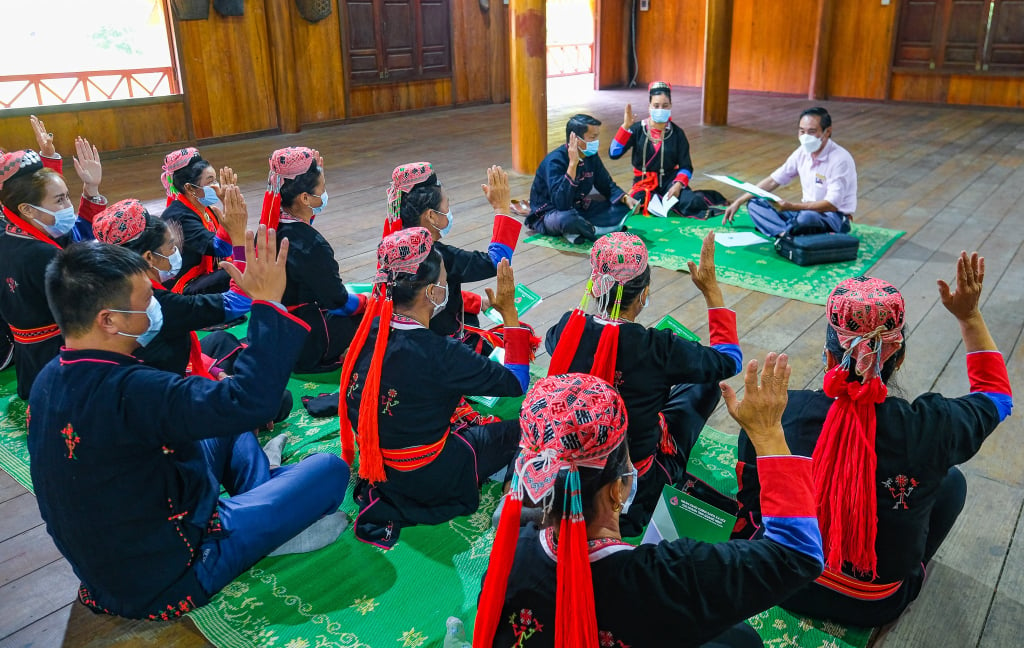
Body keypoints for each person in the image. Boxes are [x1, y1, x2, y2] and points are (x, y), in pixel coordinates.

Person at [28, 228, 350, 620]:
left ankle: (266, 505)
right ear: (108, 320)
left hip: (114, 560)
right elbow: (251, 400)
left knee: (226, 422)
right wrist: (267, 304)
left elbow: (228, 411)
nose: (156, 309)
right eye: (147, 301)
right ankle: (269, 521)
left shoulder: (49, 378)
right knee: (330, 470)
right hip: (174, 568)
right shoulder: (136, 389)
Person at [732, 254, 1013, 627]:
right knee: (952, 483)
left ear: (830, 355)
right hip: (873, 606)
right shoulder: (932, 427)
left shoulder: (779, 414)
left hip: (780, 581)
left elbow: (752, 501)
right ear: (898, 357)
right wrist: (969, 316)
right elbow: (998, 398)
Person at [474, 365, 825, 647]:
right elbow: (798, 555)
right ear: (617, 489)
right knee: (742, 640)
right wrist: (767, 437)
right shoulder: (669, 577)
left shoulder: (510, 551)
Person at [339, 227, 531, 549]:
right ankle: (511, 499)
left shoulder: (368, 329)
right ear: (431, 293)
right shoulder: (441, 353)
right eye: (444, 280)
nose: (447, 286)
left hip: (380, 467)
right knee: (528, 428)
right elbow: (516, 381)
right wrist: (509, 312)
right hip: (430, 475)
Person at [545, 231, 742, 536]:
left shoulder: (565, 330)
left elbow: (551, 343)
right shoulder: (659, 347)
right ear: (644, 293)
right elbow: (729, 360)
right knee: (704, 382)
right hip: (633, 489)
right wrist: (711, 292)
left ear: (595, 288)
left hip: (569, 471)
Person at [92, 197, 253, 377]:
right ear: (148, 257)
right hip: (165, 390)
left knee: (222, 340)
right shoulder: (155, 303)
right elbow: (238, 302)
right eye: (171, 246)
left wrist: (215, 370)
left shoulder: (108, 284)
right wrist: (239, 240)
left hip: (153, 372)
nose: (176, 250)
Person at [0, 141, 106, 400]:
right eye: (60, 200)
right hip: (61, 365)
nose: (67, 206)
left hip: (30, 367)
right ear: (26, 209)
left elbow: (71, 237)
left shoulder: (14, 234)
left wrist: (91, 190)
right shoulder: (41, 254)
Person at [385, 161, 522, 352]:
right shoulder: (437, 256)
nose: (449, 212)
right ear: (431, 216)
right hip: (434, 345)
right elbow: (495, 262)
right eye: (447, 205)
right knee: (518, 336)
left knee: (470, 315)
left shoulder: (392, 245)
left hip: (401, 334)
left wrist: (476, 301)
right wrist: (501, 209)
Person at [259, 146, 366, 373]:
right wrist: (367, 303)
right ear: (305, 197)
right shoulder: (312, 246)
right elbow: (338, 301)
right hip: (304, 344)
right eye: (322, 188)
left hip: (274, 335)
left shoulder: (270, 226)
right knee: (381, 315)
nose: (325, 194)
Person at [722, 107, 856, 238]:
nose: (805, 137)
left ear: (827, 132)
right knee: (755, 203)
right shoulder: (802, 152)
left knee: (806, 218)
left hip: (833, 217)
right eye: (802, 131)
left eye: (812, 131)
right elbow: (773, 180)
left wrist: (792, 207)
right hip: (804, 211)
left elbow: (832, 205)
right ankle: (787, 234)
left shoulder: (840, 159)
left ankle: (786, 231)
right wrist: (739, 201)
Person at [610, 81, 724, 217]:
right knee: (634, 203)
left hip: (670, 181)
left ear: (670, 106)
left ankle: (702, 196)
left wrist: (678, 185)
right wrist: (625, 128)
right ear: (649, 107)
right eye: (656, 106)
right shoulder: (637, 129)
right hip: (644, 182)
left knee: (691, 201)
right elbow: (613, 153)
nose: (660, 109)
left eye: (665, 106)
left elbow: (686, 167)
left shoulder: (677, 133)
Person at [526, 114, 639, 243]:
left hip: (580, 206)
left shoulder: (590, 156)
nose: (597, 141)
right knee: (567, 219)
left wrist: (625, 198)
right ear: (576, 139)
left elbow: (606, 184)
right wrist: (572, 165)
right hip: (552, 213)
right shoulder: (554, 161)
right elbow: (561, 203)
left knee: (621, 205)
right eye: (593, 137)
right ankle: (590, 229)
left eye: (597, 136)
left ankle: (579, 231)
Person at [159, 148, 245, 294]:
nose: (216, 186)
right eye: (210, 181)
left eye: (216, 180)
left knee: (255, 254)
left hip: (205, 274)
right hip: (185, 285)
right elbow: (221, 248)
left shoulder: (204, 208)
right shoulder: (178, 216)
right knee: (239, 268)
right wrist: (229, 208)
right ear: (189, 187)